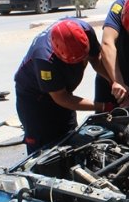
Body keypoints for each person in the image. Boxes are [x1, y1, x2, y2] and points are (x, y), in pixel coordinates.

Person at [14, 18, 109, 155]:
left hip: (64, 92)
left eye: (83, 58)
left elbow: (96, 59)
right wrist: (102, 106)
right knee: (43, 152)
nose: (81, 63)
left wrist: (115, 82)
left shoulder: (86, 30)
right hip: (36, 102)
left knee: (70, 139)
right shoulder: (44, 59)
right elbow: (62, 98)